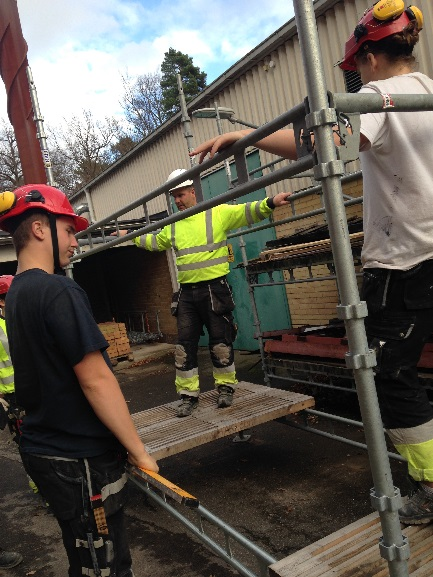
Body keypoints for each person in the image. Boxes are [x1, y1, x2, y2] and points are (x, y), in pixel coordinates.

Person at [190, 1, 433, 525]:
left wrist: (241, 138)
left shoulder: (375, 98)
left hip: (403, 261)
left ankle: (431, 486)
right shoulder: (430, 93)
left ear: (367, 56)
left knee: (390, 375)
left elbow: (320, 142)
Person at [0, 184, 158, 577]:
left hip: (47, 452)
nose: (75, 239)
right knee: (104, 566)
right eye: (69, 230)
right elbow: (96, 380)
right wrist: (138, 451)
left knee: (85, 559)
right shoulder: (58, 290)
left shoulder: (17, 290)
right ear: (39, 228)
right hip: (79, 460)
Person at [115, 168, 290, 417]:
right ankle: (188, 396)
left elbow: (246, 212)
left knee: (220, 343)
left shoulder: (216, 213)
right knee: (184, 347)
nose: (177, 200)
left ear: (193, 191)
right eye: (173, 196)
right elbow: (154, 241)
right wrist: (129, 236)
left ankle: (226, 389)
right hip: (187, 294)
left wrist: (270, 202)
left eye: (181, 194)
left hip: (214, 289)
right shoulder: (173, 225)